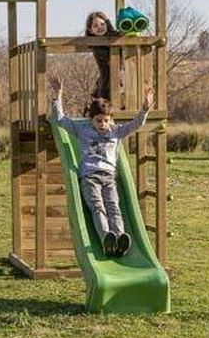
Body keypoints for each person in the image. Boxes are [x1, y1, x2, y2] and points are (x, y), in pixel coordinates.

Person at [49, 72, 153, 257]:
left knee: (114, 206)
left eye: (106, 120)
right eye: (99, 121)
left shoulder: (116, 132)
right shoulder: (82, 130)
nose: (103, 124)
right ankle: (106, 237)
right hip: (89, 177)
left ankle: (120, 237)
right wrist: (58, 95)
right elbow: (60, 119)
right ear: (92, 120)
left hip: (109, 177)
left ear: (111, 120)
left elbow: (136, 125)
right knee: (98, 206)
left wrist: (144, 109)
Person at [83, 11, 122, 115]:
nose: (99, 27)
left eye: (102, 24)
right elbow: (113, 62)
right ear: (90, 30)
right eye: (95, 26)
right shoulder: (97, 47)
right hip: (107, 82)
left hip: (118, 79)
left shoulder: (113, 38)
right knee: (102, 109)